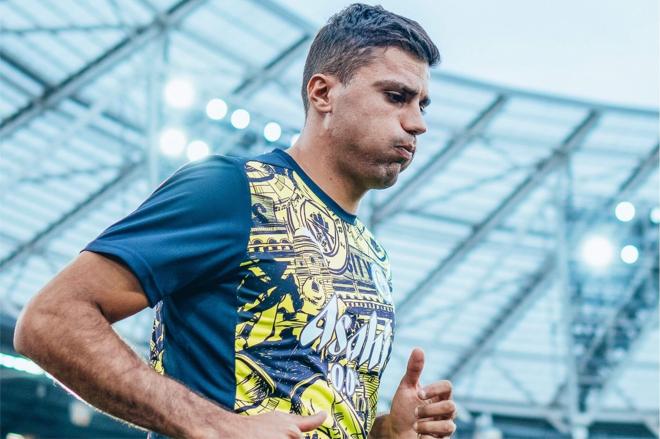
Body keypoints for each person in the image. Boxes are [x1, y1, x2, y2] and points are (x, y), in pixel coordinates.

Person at [14, 3, 457, 438]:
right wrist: (213, 424)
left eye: (423, 104)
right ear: (322, 93)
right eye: (396, 97)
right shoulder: (233, 189)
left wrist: (386, 432)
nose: (418, 123)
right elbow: (50, 319)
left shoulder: (372, 255)